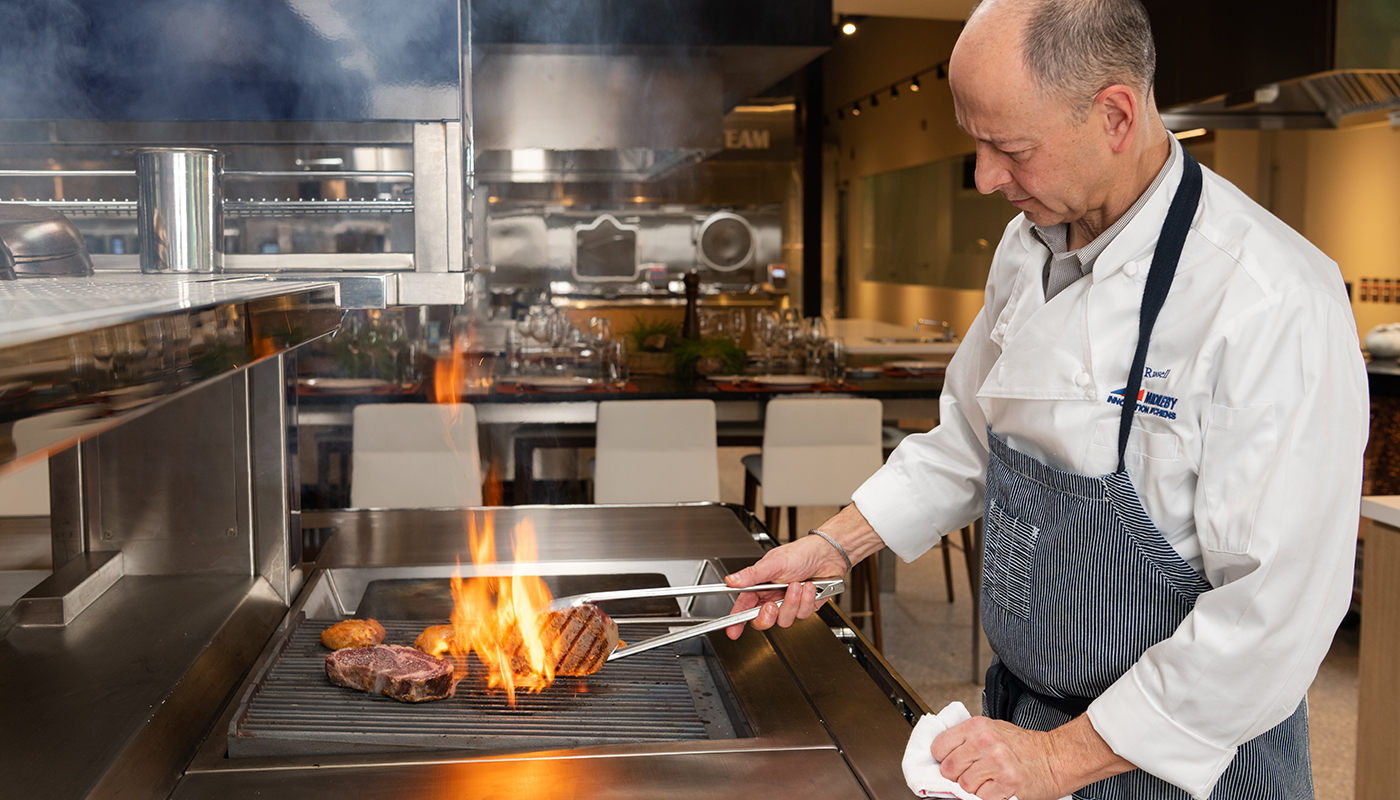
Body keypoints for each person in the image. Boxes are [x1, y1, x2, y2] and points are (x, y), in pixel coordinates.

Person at [723, 1, 1369, 798]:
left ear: (1115, 115)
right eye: (977, 142)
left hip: (1184, 762)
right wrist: (830, 549)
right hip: (1022, 729)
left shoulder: (1270, 298)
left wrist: (1060, 760)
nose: (986, 177)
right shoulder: (1027, 245)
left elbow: (1275, 618)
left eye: (1010, 148)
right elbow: (970, 437)